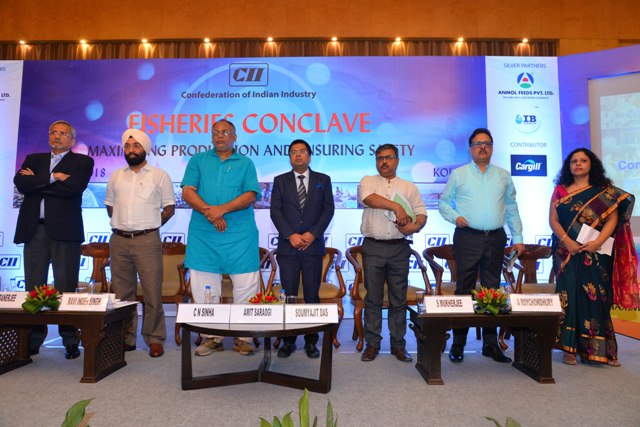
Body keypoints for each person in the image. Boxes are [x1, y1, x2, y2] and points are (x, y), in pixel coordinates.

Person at [439, 128, 524, 364]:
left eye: (487, 143)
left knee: (492, 290)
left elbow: (512, 207)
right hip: (467, 236)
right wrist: (455, 217)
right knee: (464, 289)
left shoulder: (503, 176)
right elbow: (444, 203)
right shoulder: (459, 174)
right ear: (470, 149)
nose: (482, 147)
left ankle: (490, 344)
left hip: (496, 238)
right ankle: (458, 344)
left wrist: (518, 236)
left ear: (492, 148)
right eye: (477, 144)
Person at [549, 147, 640, 366]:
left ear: (592, 165)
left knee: (596, 296)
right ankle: (569, 349)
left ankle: (603, 350)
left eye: (583, 160)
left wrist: (597, 242)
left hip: (595, 251)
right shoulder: (560, 191)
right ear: (569, 166)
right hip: (566, 251)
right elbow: (553, 220)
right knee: (569, 295)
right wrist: (567, 241)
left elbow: (612, 219)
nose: (578, 164)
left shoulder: (604, 191)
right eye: (574, 161)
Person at [13, 120, 94, 359]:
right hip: (34, 230)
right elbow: (21, 183)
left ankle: (70, 339)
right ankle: (33, 338)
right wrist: (54, 178)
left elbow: (74, 188)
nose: (57, 136)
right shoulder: (33, 159)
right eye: (54, 132)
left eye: (63, 133)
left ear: (72, 139)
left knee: (66, 287)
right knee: (34, 287)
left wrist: (38, 182)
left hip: (65, 232)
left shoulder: (82, 162)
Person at [181, 119, 261, 356]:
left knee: (246, 286)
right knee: (204, 287)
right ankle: (211, 337)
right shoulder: (198, 160)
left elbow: (251, 194)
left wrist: (221, 210)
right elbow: (187, 191)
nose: (220, 135)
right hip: (204, 234)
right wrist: (211, 213)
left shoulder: (245, 163)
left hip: (240, 235)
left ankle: (244, 337)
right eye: (216, 132)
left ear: (234, 137)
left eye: (225, 132)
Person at [104, 129, 175, 358]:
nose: (131, 150)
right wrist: (123, 224)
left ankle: (155, 338)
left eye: (136, 146)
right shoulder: (116, 176)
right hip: (119, 240)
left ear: (145, 149)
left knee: (152, 292)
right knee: (123, 294)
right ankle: (126, 337)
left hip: (147, 240)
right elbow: (110, 205)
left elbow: (169, 207)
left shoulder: (159, 175)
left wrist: (150, 224)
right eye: (127, 146)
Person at [358, 144, 427, 362]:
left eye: (388, 157)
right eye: (379, 158)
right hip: (373, 247)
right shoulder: (368, 180)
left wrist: (415, 227)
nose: (384, 162)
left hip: (399, 248)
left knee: (399, 299)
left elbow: (421, 214)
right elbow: (368, 198)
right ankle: (372, 344)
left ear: (397, 160)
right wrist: (397, 207)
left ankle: (398, 345)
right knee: (373, 298)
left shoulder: (408, 186)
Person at [270, 139, 335, 358]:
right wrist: (291, 235)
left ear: (309, 156)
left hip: (312, 247)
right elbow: (275, 211)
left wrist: (312, 234)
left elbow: (328, 210)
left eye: (302, 151)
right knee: (288, 294)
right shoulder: (280, 181)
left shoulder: (323, 180)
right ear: (289, 157)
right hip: (288, 248)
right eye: (293, 152)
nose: (297, 155)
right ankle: (288, 341)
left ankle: (311, 341)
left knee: (311, 295)